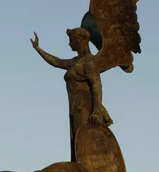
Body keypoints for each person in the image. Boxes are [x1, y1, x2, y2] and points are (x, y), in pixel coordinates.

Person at [31, 28, 113, 162]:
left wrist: (97, 111)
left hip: (84, 108)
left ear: (80, 40)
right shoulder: (76, 61)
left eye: (71, 40)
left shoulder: (88, 61)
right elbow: (57, 62)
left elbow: (96, 85)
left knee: (84, 145)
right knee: (77, 146)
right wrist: (38, 48)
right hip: (75, 108)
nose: (69, 44)